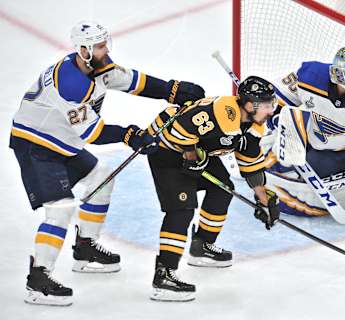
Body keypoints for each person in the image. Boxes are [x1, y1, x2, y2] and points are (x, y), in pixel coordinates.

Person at [9, 20, 205, 306]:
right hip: (36, 144)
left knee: (101, 178)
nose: (106, 50)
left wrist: (171, 90)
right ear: (84, 50)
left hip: (61, 139)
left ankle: (85, 248)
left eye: (105, 44)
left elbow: (134, 81)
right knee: (61, 209)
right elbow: (93, 133)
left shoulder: (98, 66)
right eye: (100, 46)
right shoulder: (71, 85)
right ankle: (39, 280)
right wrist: (129, 135)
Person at [146, 76, 280, 302]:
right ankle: (164, 275)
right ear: (249, 105)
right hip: (167, 151)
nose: (270, 110)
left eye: (271, 104)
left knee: (223, 188)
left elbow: (250, 164)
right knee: (182, 210)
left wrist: (263, 198)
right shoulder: (221, 112)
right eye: (266, 105)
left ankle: (202, 245)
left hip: (199, 153)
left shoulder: (254, 127)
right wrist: (190, 156)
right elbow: (180, 127)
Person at [262, 47, 345, 217]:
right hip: (304, 139)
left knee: (298, 189)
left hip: (338, 155)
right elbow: (277, 102)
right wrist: (279, 122)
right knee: (268, 167)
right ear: (338, 75)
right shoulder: (310, 76)